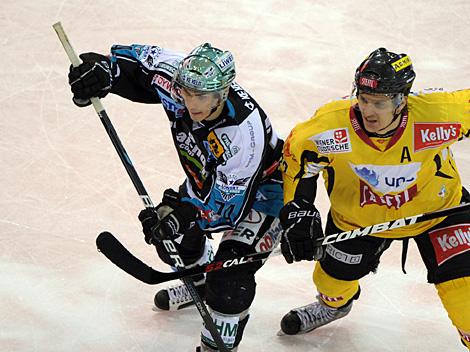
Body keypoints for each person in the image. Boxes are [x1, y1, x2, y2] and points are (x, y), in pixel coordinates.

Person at [68, 42, 284, 351]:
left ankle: (216, 343)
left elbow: (226, 210)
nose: (192, 103)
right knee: (170, 242)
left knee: (228, 280)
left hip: (265, 193)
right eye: (186, 93)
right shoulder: (180, 78)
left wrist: (181, 214)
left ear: (223, 92)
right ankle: (198, 282)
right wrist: (104, 71)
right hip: (206, 184)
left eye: (202, 96)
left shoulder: (242, 135)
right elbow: (136, 64)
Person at [278, 47, 470, 349]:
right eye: (364, 99)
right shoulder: (328, 127)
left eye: (379, 103)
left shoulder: (439, 113)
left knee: (467, 303)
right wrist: (298, 212)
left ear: (401, 100)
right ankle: (334, 306)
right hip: (358, 220)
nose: (368, 111)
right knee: (329, 284)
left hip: (439, 213)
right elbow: (298, 165)